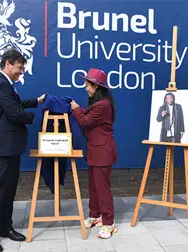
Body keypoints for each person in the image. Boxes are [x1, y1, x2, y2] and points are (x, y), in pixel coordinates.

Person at [0, 49, 46, 252]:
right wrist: (37, 116)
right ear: (8, 64)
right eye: (19, 68)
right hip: (1, 148)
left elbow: (15, 103)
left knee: (9, 191)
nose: (21, 72)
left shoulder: (7, 85)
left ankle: (5, 228)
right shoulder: (0, 84)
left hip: (10, 148)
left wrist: (37, 101)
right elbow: (15, 113)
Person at [70, 68, 118, 239]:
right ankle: (95, 215)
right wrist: (80, 110)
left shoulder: (102, 105)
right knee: (93, 186)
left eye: (88, 85)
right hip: (94, 151)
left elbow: (85, 121)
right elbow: (87, 116)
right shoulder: (97, 104)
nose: (85, 88)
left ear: (96, 86)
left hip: (102, 152)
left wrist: (76, 109)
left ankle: (109, 223)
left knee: (102, 188)